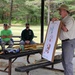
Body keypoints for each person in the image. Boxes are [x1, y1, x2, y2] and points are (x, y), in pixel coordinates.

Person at [52, 4, 75, 75]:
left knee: (67, 62)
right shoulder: (63, 19)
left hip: (69, 42)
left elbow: (65, 29)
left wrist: (59, 21)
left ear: (65, 11)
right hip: (65, 42)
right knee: (64, 61)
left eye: (60, 10)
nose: (59, 12)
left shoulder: (70, 19)